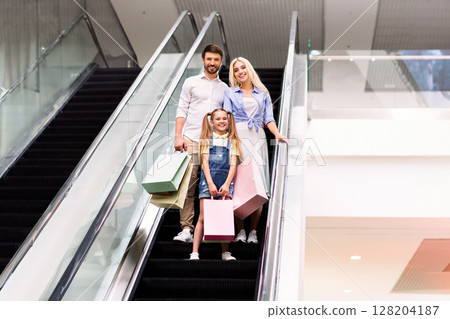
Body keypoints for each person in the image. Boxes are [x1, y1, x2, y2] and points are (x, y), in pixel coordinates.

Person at [223, 57, 288, 244]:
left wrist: (276, 133)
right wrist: (230, 141)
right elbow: (227, 118)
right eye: (236, 70)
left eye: (243, 67)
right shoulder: (229, 93)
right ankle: (240, 230)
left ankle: (253, 231)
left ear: (249, 69)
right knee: (239, 184)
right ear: (233, 74)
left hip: (257, 139)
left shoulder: (263, 94)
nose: (240, 71)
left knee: (257, 186)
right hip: (238, 137)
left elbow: (269, 118)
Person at [173, 44, 228, 243]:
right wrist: (178, 136)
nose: (212, 63)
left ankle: (210, 228)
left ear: (220, 62)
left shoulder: (225, 89)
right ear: (203, 60)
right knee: (188, 186)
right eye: (209, 59)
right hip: (191, 139)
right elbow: (181, 110)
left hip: (215, 144)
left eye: (216, 60)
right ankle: (187, 229)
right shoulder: (191, 82)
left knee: (213, 186)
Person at [190, 108, 241, 260]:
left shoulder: (233, 141)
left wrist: (226, 184)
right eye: (218, 119)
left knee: (224, 215)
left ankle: (225, 252)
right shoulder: (207, 140)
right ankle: (194, 252)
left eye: (224, 118)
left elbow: (233, 165)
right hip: (208, 181)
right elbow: (205, 163)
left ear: (229, 121)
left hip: (226, 182)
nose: (222, 121)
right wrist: (210, 183)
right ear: (212, 123)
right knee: (203, 217)